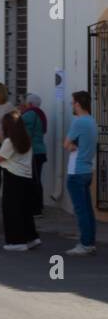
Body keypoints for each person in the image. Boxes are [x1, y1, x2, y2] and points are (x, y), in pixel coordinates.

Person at [0, 110, 40, 252]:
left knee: (12, 210)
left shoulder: (9, 141)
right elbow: (12, 151)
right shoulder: (25, 139)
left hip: (12, 177)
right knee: (25, 210)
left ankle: (16, 241)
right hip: (26, 177)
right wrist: (1, 140)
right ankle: (32, 238)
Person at [64, 90, 98, 255]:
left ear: (78, 104)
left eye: (73, 102)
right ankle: (90, 241)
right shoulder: (92, 121)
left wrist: (72, 146)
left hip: (76, 171)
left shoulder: (78, 122)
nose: (72, 105)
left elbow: (66, 144)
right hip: (87, 169)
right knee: (88, 209)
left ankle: (85, 244)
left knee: (81, 210)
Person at [20, 94, 48, 216]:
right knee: (36, 180)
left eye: (25, 102)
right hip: (39, 151)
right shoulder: (39, 113)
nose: (23, 104)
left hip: (33, 152)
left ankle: (35, 209)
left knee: (33, 180)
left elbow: (20, 128)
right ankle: (38, 206)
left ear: (30, 104)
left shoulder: (30, 114)